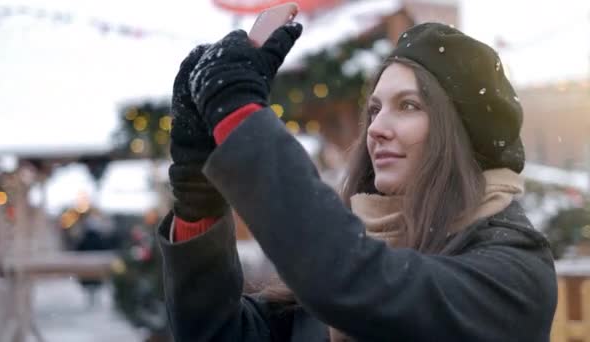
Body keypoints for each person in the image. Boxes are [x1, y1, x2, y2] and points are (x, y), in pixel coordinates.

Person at [157, 22, 557, 341]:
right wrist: (198, 192)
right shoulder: (331, 284)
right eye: (375, 109)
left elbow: (357, 283)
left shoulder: (512, 273)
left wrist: (240, 115)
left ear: (462, 133)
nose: (376, 128)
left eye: (409, 106)